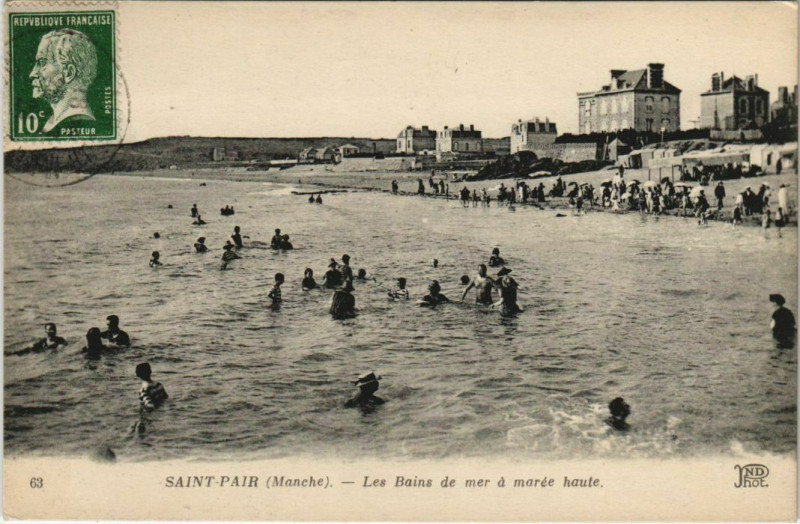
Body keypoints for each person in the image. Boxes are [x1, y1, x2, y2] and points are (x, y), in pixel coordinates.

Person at [29, 29, 98, 135]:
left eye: (42, 63)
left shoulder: (77, 121)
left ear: (69, 73)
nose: (32, 73)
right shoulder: (54, 122)